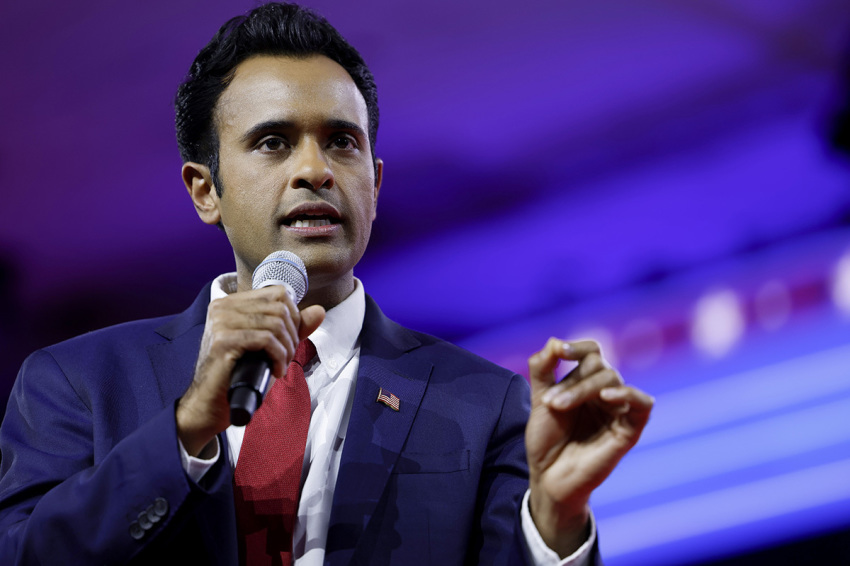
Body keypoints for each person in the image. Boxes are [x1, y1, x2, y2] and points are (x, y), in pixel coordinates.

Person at [0, 3, 653, 565]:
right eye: (274, 143)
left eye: (341, 142)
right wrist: (184, 429)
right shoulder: (77, 383)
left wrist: (557, 525)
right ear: (205, 190)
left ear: (375, 180)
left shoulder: (484, 407)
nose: (315, 169)